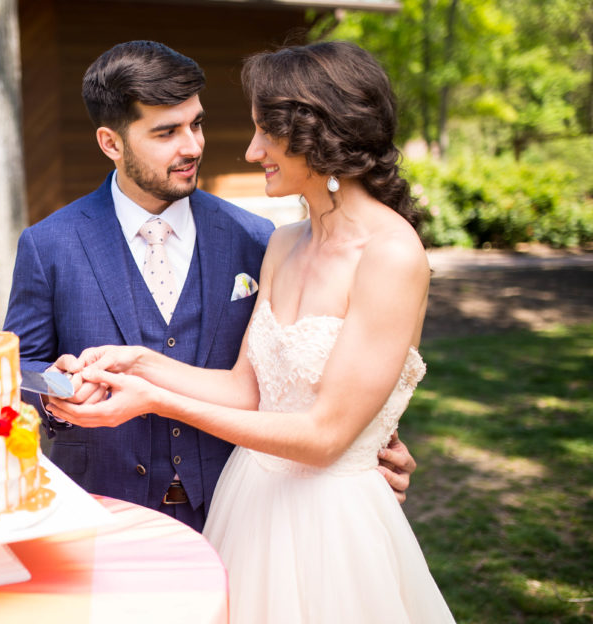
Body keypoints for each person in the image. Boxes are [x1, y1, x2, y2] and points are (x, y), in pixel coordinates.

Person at [46, 41, 455, 622]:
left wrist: (156, 400)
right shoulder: (285, 242)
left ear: (318, 135)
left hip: (332, 527)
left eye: (266, 133)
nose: (250, 149)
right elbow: (248, 388)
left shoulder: (391, 255)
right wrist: (136, 363)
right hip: (250, 504)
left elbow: (324, 437)